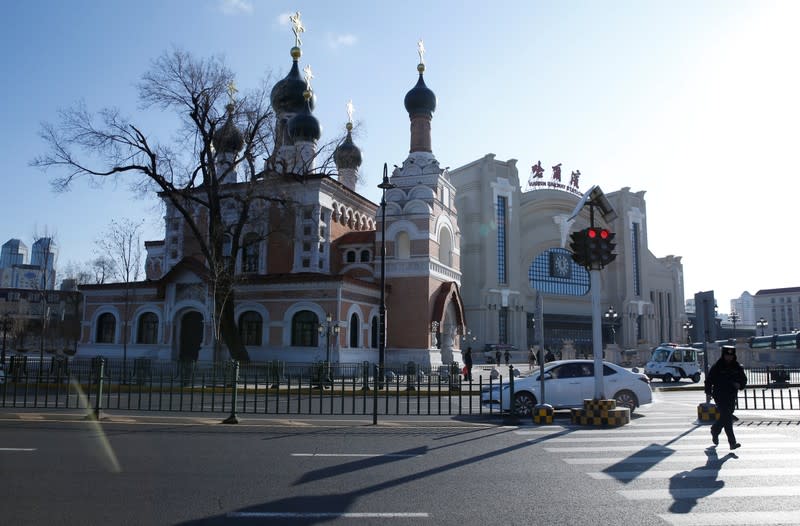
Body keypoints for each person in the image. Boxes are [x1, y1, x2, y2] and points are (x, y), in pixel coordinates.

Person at [704, 345, 747, 450]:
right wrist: (708, 393)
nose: (729, 357)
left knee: (726, 416)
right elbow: (709, 381)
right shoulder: (717, 366)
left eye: (731, 355)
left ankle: (715, 429)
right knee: (727, 417)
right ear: (723, 355)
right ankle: (732, 443)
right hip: (719, 395)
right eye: (727, 355)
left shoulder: (737, 367)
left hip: (731, 395)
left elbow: (743, 379)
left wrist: (740, 385)